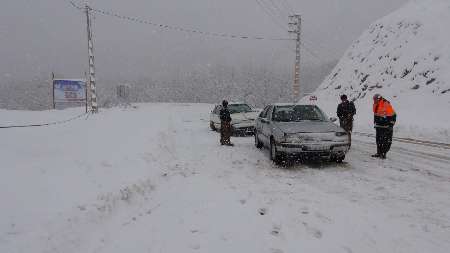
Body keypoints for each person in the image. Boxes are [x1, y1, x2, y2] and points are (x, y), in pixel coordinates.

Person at [372, 94, 397, 159]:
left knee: (386, 141)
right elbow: (376, 114)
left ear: (378, 99)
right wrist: (375, 123)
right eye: (373, 99)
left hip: (386, 127)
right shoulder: (375, 105)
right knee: (378, 141)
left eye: (375, 99)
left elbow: (393, 115)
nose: (374, 101)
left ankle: (383, 154)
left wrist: (391, 125)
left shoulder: (386, 104)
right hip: (379, 126)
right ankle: (379, 153)